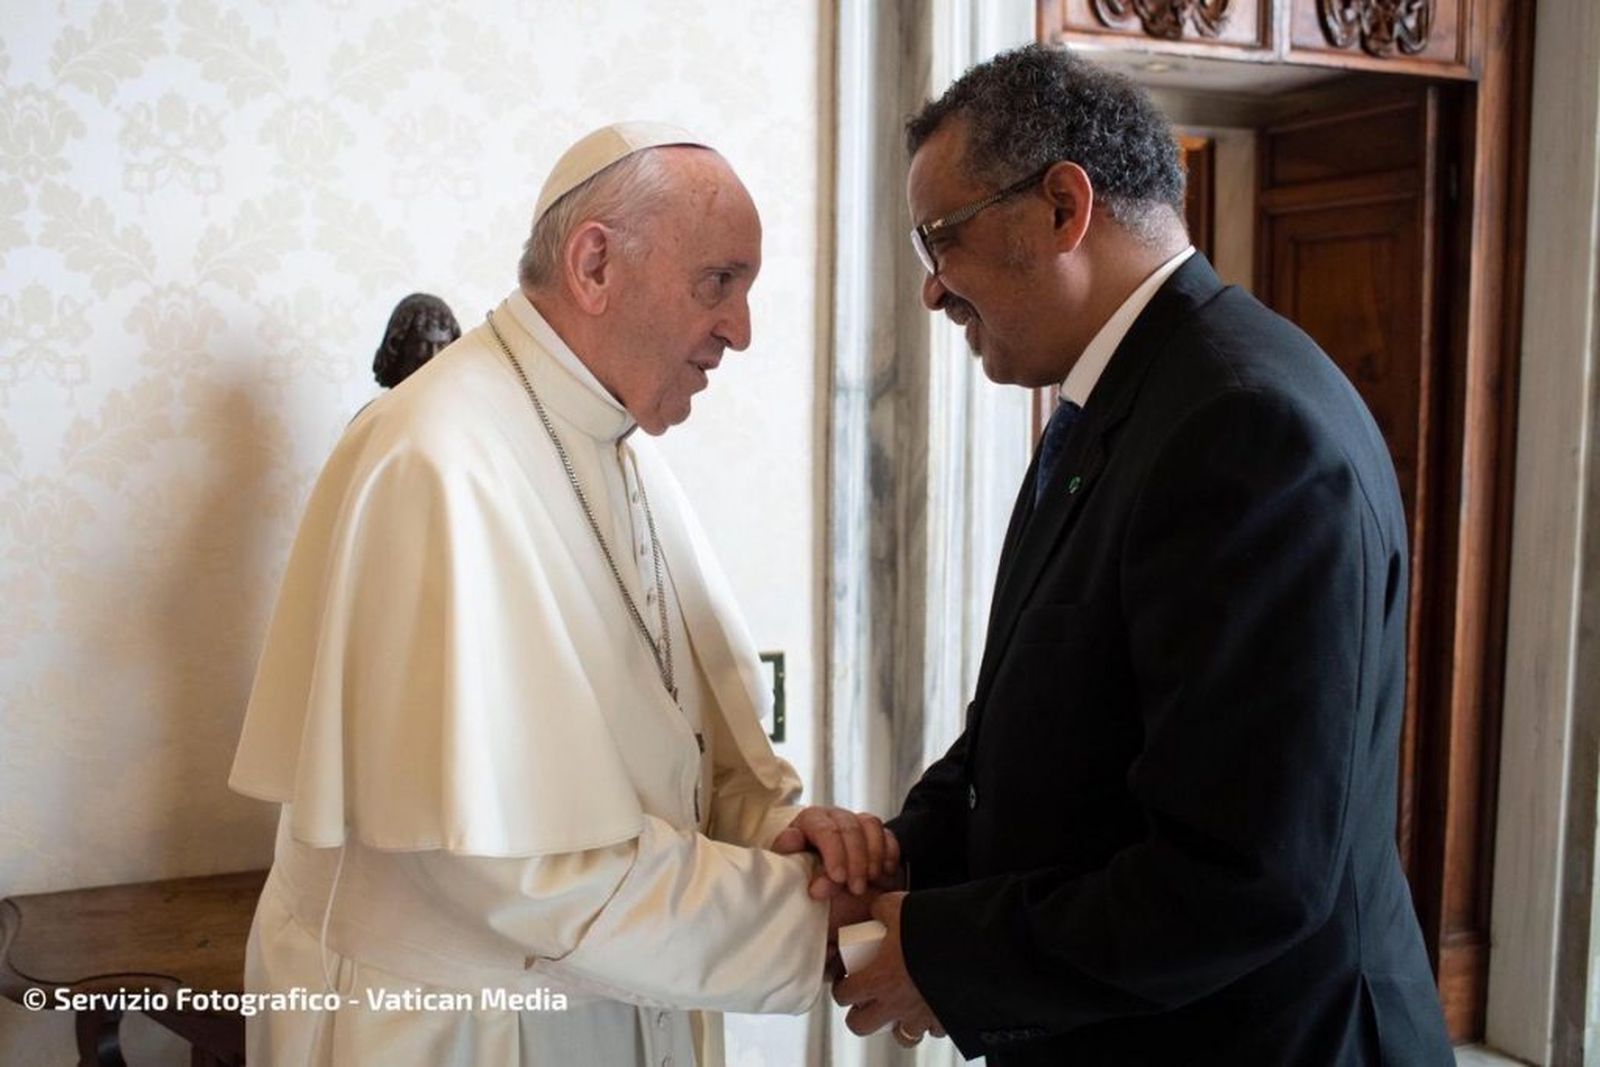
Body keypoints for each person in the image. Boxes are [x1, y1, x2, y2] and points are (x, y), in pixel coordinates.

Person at [831, 46, 1455, 1064]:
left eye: (939, 240)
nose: (932, 293)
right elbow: (1038, 733)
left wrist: (942, 951)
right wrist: (901, 846)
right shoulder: (1123, 401)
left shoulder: (1246, 428)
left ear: (1061, 209)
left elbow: (1244, 871)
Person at [230, 122, 894, 1067]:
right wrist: (812, 922)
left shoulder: (620, 447)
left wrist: (781, 833)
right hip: (457, 1028)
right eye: (721, 282)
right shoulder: (435, 457)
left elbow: (685, 754)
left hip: (612, 998)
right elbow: (511, 865)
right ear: (594, 264)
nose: (741, 330)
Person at [372, 292, 460, 389]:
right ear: (399, 348)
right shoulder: (383, 404)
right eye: (423, 345)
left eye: (441, 345)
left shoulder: (465, 401)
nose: (433, 356)